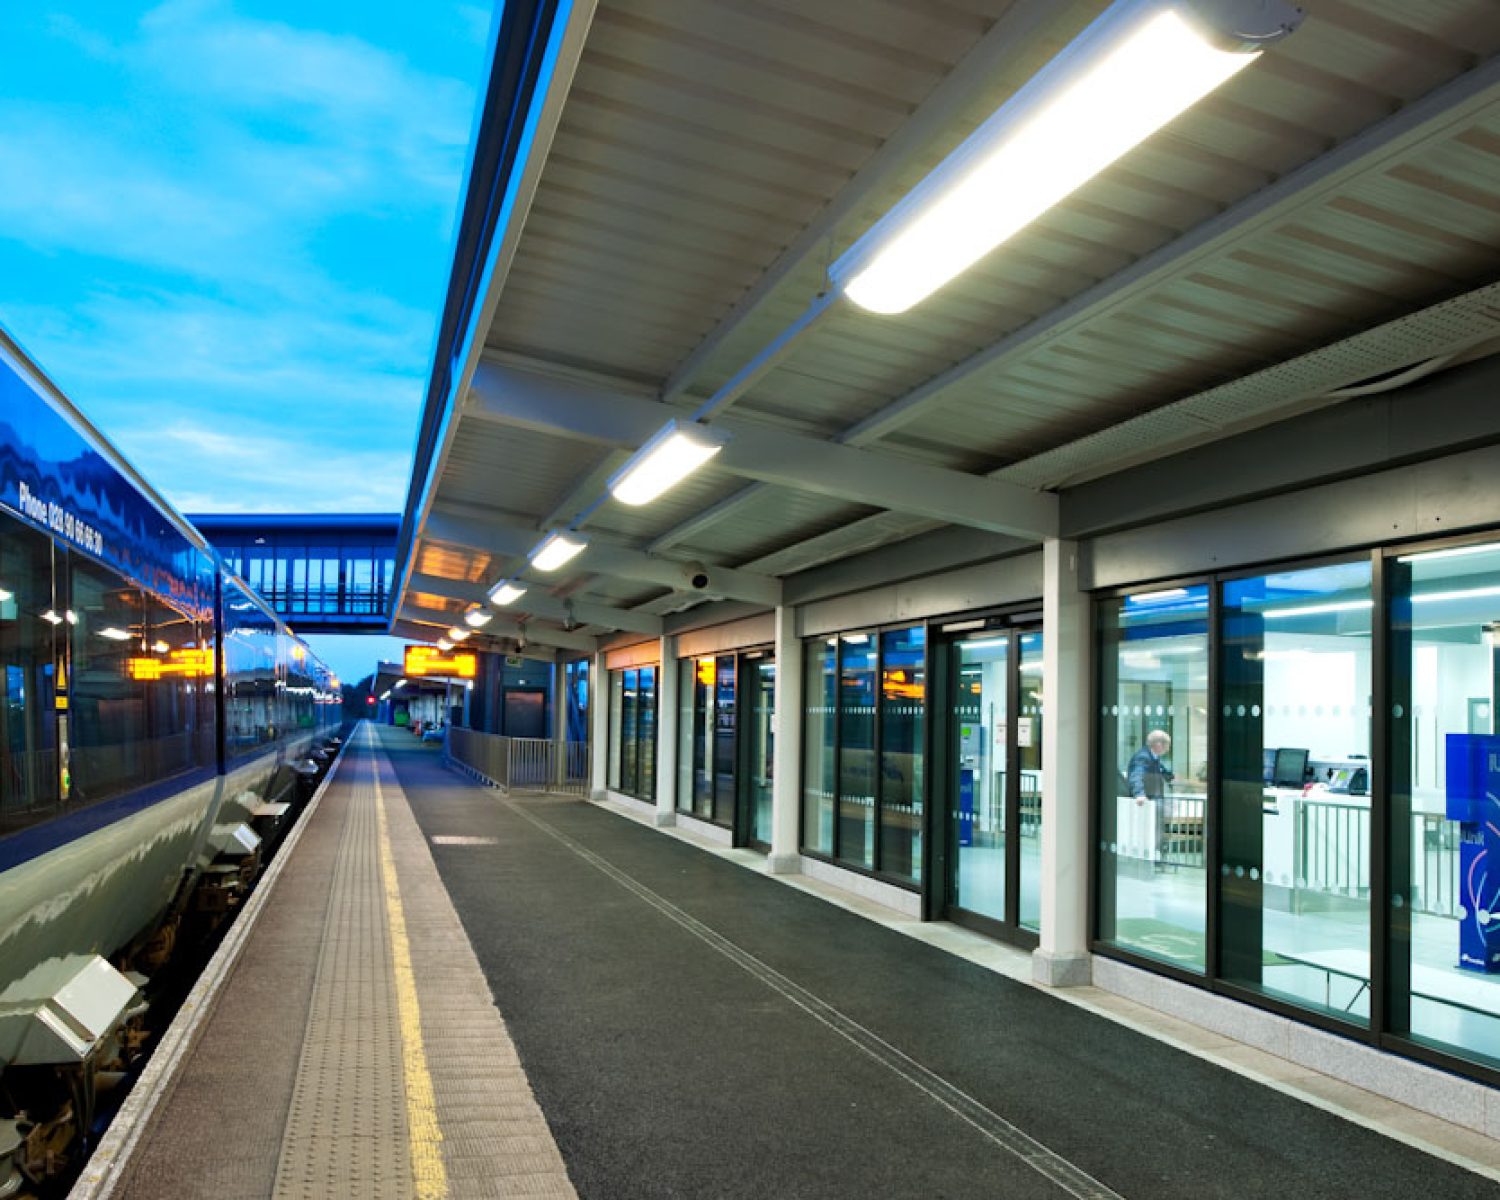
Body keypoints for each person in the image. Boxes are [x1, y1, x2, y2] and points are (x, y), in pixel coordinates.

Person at [1128, 729, 1175, 870]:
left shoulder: (1153, 757)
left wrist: (1171, 776)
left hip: (1155, 800)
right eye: (1167, 745)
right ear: (1158, 744)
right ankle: (1155, 860)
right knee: (1155, 831)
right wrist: (1139, 794)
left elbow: (1160, 770)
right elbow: (1136, 775)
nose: (1168, 748)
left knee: (1158, 830)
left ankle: (1158, 859)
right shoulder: (1143, 757)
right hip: (1150, 801)